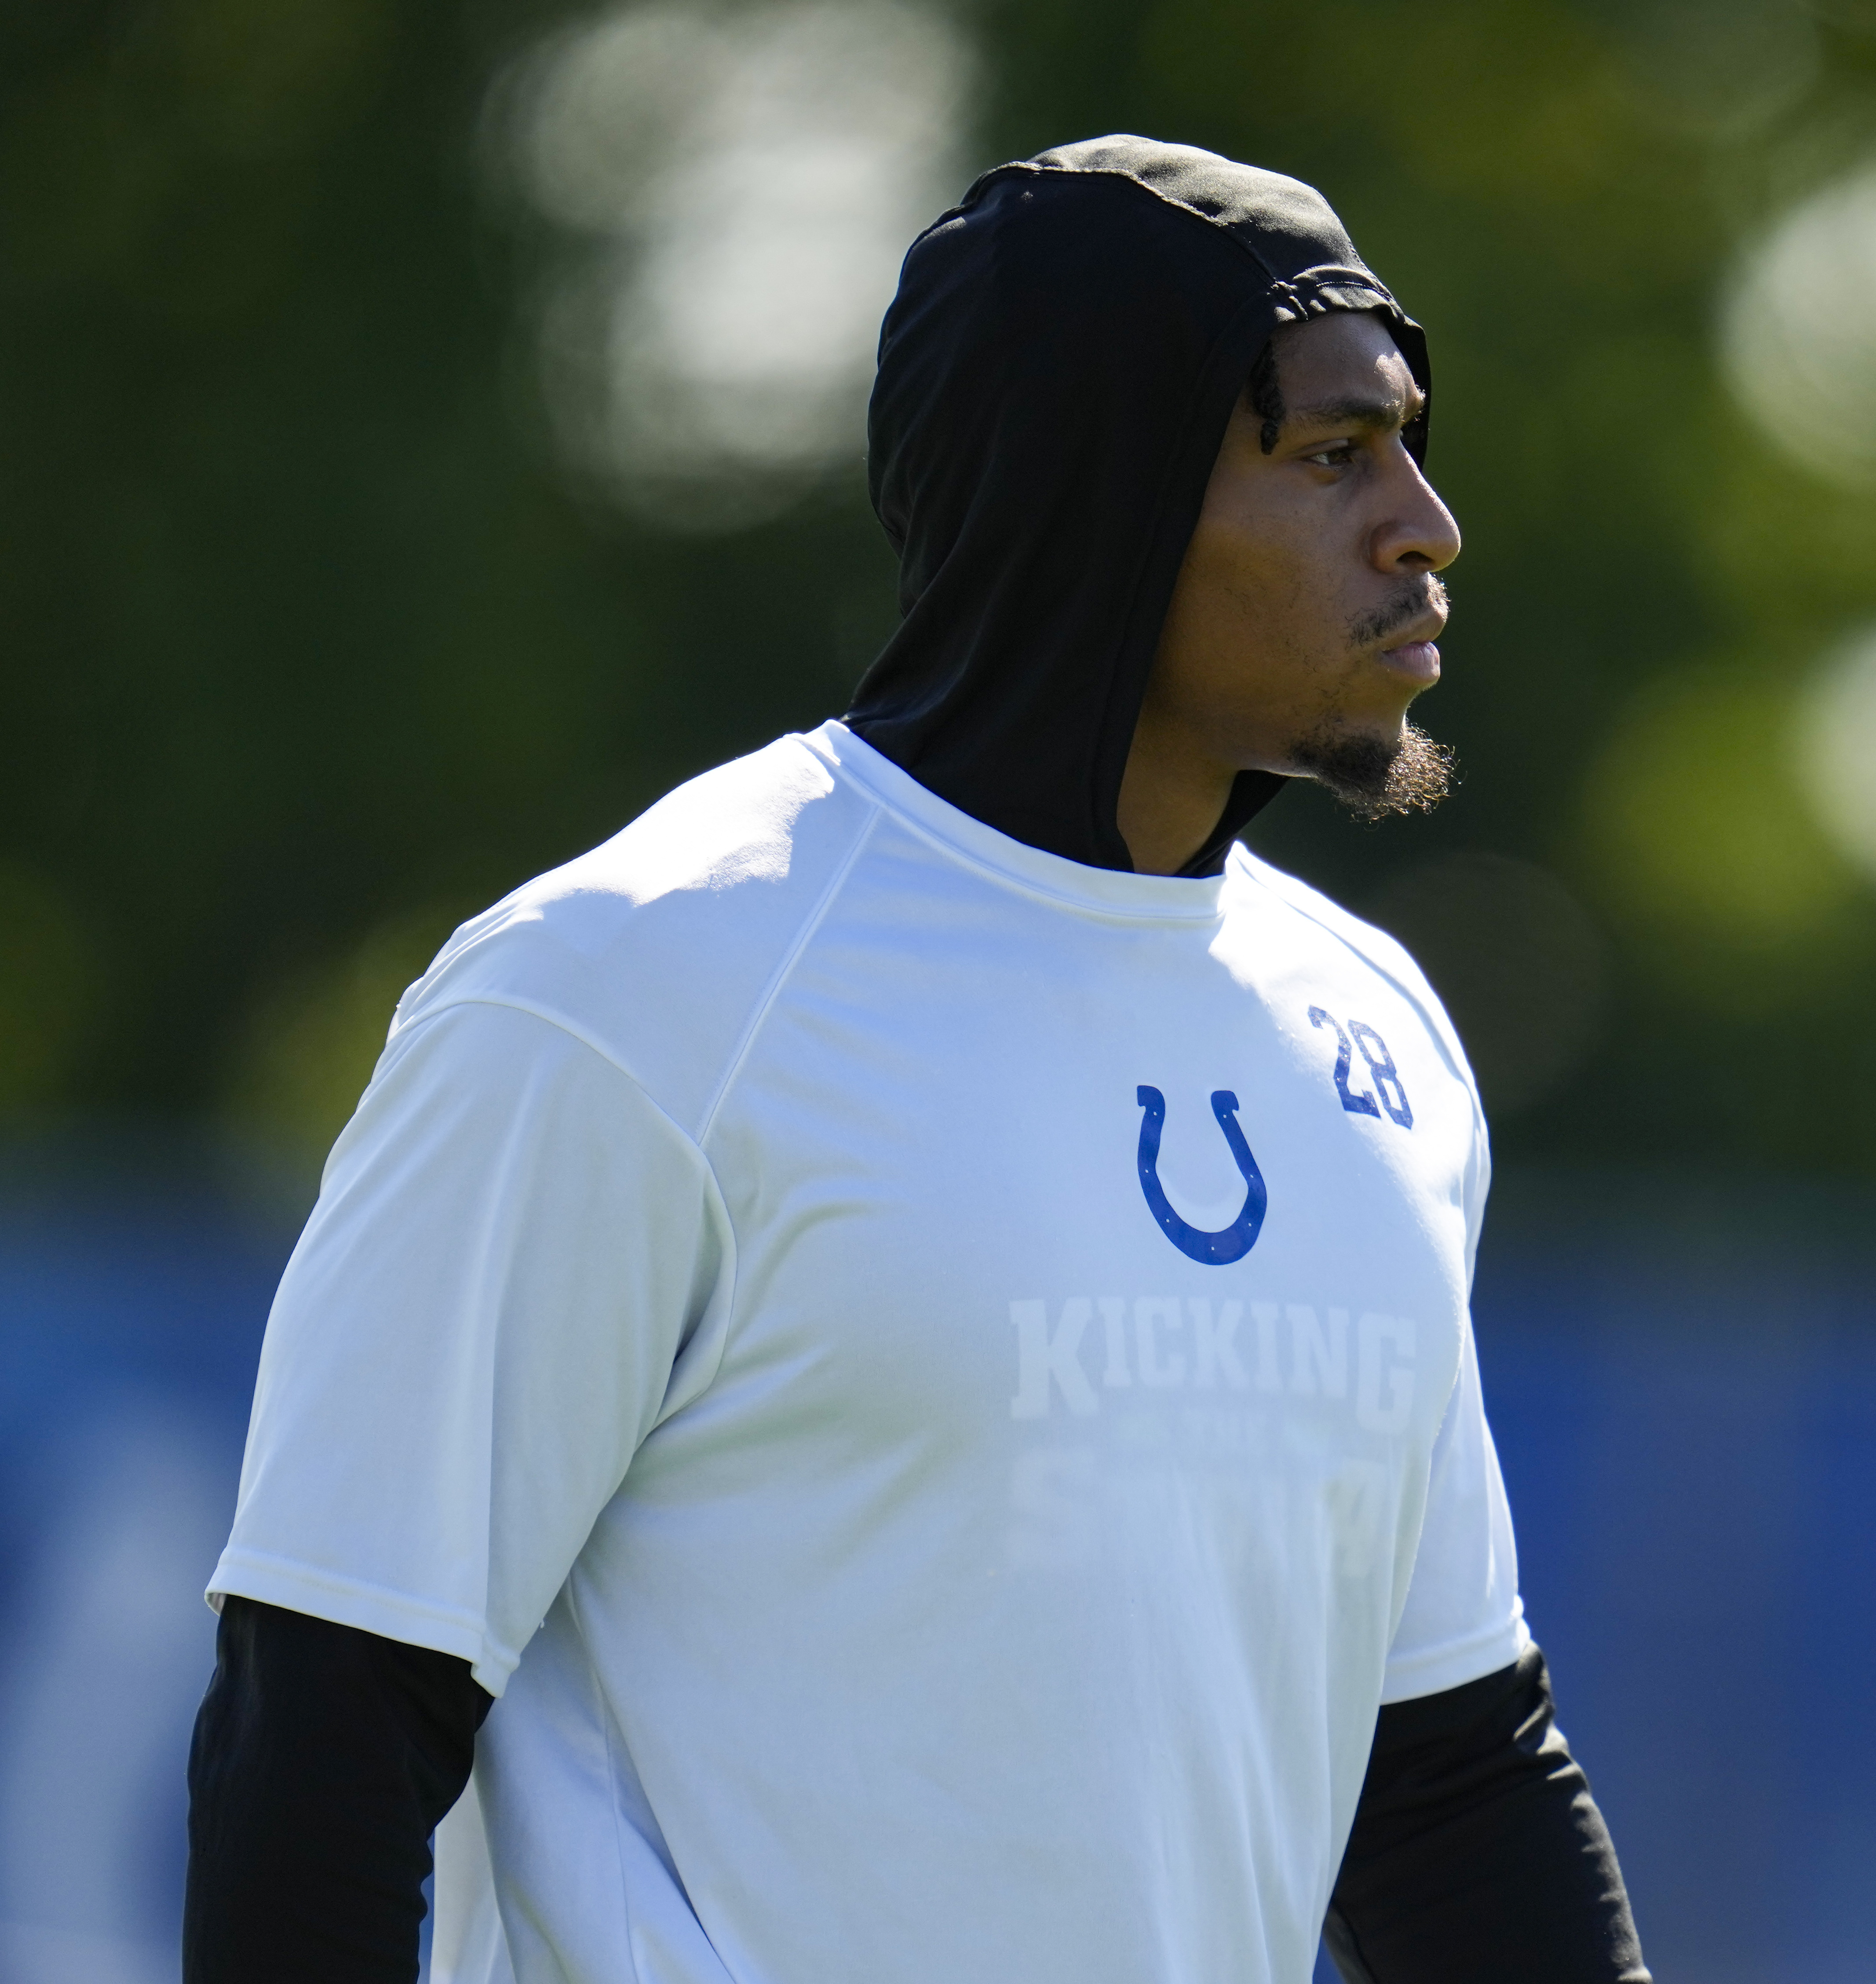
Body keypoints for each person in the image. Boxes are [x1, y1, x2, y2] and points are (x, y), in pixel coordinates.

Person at [182, 135, 1650, 1984]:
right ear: (1095, 495)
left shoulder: (1380, 1034)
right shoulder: (626, 991)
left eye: (1410, 445)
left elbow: (1444, 1779)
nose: (1426, 524)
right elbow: (323, 1723)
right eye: (1334, 455)